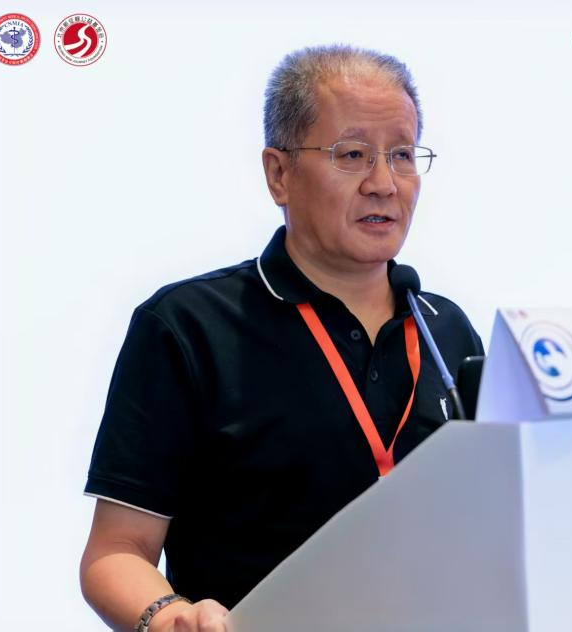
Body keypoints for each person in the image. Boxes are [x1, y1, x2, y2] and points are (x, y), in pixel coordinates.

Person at [79, 45, 483, 632]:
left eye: (402, 155)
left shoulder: (445, 328)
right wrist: (168, 617)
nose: (383, 183)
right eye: (352, 155)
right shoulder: (190, 325)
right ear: (279, 174)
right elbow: (117, 551)